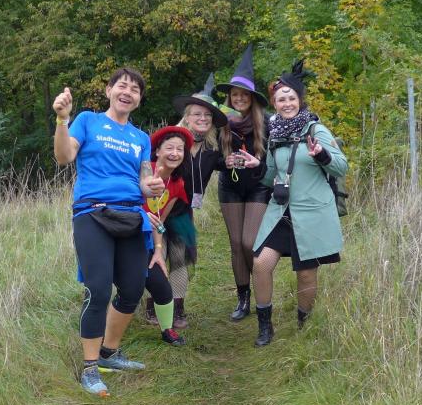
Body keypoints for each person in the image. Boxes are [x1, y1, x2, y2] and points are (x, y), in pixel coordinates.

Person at [53, 68, 164, 397]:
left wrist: (152, 186)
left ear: (139, 99)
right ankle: (89, 368)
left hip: (131, 216)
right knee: (98, 289)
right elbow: (64, 156)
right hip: (92, 213)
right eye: (122, 86)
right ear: (109, 90)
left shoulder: (141, 138)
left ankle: (108, 353)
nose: (127, 92)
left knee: (132, 288)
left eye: (135, 89)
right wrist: (62, 120)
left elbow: (144, 182)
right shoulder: (87, 121)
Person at [250, 60, 348, 346]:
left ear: (300, 100)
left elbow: (341, 166)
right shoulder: (275, 134)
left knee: (306, 274)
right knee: (260, 264)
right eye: (281, 99)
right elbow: (271, 176)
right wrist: (255, 166)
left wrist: (321, 155)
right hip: (281, 212)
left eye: (291, 98)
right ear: (274, 104)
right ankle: (265, 326)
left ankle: (305, 323)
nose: (287, 103)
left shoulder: (316, 130)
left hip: (312, 214)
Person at [142, 73, 229, 329]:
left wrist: (233, 162)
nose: (202, 119)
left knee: (179, 258)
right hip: (155, 208)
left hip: (181, 211)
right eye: (197, 114)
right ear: (187, 117)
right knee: (156, 254)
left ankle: (178, 308)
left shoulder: (212, 149)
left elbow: (224, 164)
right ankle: (153, 305)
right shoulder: (172, 142)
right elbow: (146, 167)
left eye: (207, 115)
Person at [213, 45, 272, 323]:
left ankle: (261, 288)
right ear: (230, 97)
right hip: (230, 187)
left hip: (258, 186)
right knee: (236, 243)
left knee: (250, 242)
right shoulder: (220, 121)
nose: (239, 99)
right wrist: (222, 162)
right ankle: (243, 296)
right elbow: (209, 155)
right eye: (235, 95)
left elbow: (275, 160)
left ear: (252, 98)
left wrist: (259, 163)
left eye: (244, 95)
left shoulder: (267, 123)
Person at [141, 126, 195, 345]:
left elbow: (159, 219)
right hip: (129, 230)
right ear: (157, 151)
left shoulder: (177, 183)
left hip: (151, 233)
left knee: (163, 268)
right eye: (169, 148)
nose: (175, 153)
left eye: (180, 149)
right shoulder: (146, 171)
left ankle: (169, 321)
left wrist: (158, 247)